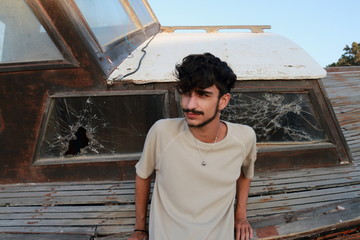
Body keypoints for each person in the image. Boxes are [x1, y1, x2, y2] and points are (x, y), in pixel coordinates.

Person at [128, 53, 257, 240]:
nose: (190, 104)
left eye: (203, 95)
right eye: (187, 94)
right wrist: (140, 229)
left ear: (223, 101)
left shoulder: (244, 137)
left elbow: (245, 174)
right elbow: (143, 175)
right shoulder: (162, 132)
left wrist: (240, 216)